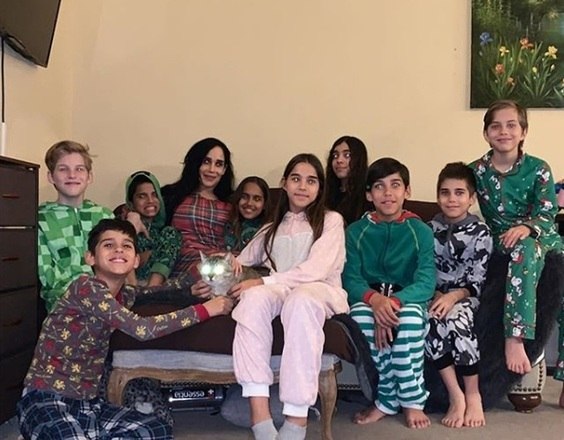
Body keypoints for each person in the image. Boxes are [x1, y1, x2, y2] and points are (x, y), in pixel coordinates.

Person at [18, 218, 233, 440]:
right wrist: (205, 309)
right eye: (108, 245)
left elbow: (157, 292)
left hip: (90, 405)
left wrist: (191, 289)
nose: (119, 249)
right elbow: (142, 329)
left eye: (127, 245)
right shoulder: (86, 287)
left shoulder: (125, 294)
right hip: (47, 398)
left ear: (136, 260)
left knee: (156, 428)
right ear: (90, 257)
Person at [228, 153, 349, 440]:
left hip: (320, 288)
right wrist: (227, 266)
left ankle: (296, 419)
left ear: (320, 187)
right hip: (281, 287)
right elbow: (240, 262)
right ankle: (260, 418)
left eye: (311, 181)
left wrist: (262, 280)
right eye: (296, 179)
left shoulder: (331, 220)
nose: (302, 186)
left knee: (301, 299)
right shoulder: (272, 227)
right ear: (284, 183)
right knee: (253, 299)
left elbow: (315, 270)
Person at [469, 99, 562, 375]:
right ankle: (515, 337)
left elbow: (548, 213)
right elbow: (459, 200)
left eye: (511, 125)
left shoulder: (539, 168)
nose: (504, 132)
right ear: (486, 133)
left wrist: (528, 227)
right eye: (496, 126)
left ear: (523, 132)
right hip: (504, 241)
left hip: (543, 237)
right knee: (524, 249)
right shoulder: (475, 172)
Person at [342, 157, 435, 429]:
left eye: (395, 185)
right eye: (379, 186)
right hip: (367, 299)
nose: (388, 193)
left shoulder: (421, 231)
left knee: (409, 321)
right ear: (369, 195)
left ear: (407, 191)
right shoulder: (355, 232)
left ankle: (412, 400)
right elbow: (350, 278)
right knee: (360, 318)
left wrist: (392, 303)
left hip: (408, 298)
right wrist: (376, 301)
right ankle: (387, 398)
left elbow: (426, 280)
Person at [425, 162, 493, 428]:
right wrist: (435, 295)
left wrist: (453, 297)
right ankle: (456, 394)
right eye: (445, 193)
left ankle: (473, 394)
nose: (451, 199)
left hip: (465, 296)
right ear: (437, 196)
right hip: (433, 295)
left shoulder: (481, 232)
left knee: (456, 320)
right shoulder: (428, 230)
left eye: (459, 192)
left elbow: (477, 281)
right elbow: (423, 271)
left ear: (471, 198)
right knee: (428, 321)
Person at [38, 140, 114, 312]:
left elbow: (117, 264)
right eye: (63, 169)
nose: (72, 175)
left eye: (79, 169)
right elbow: (47, 275)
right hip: (67, 305)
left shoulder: (104, 216)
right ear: (51, 176)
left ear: (89, 177)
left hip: (109, 299)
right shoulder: (41, 219)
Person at [161, 137, 235, 276]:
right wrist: (131, 215)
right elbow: (144, 208)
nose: (212, 169)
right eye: (206, 162)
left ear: (224, 169)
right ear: (195, 163)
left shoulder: (233, 203)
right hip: (186, 265)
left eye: (218, 164)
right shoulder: (171, 195)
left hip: (221, 265)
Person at [117, 170, 181, 286]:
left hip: (155, 288)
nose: (150, 201)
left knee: (171, 233)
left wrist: (150, 254)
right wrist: (131, 227)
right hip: (128, 284)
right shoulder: (119, 225)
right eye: (142, 196)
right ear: (131, 201)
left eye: (154, 195)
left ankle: (151, 290)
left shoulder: (165, 232)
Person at [324, 135, 369, 225]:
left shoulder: (368, 195)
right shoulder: (325, 193)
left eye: (347, 155)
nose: (339, 160)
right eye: (335, 156)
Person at [224, 176, 271, 254]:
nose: (249, 203)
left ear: (264, 204)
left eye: (257, 199)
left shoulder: (269, 230)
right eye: (244, 197)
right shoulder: (229, 225)